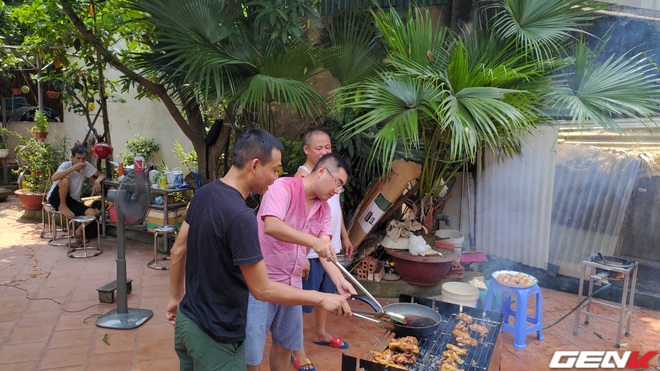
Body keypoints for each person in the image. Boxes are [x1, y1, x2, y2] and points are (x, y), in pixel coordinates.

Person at [166, 129, 353, 371]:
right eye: (275, 169)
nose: (276, 178)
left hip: (189, 321)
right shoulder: (243, 216)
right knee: (251, 353)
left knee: (284, 343)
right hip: (218, 333)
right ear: (255, 165)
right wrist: (322, 297)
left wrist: (175, 297)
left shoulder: (204, 193)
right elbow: (262, 288)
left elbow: (178, 250)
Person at [246, 153, 356, 371]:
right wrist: (314, 242)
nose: (337, 190)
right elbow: (272, 226)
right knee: (253, 350)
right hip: (262, 281)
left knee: (284, 344)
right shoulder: (283, 187)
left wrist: (339, 280)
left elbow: (325, 251)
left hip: (293, 284)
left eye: (341, 187)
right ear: (323, 171)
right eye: (338, 183)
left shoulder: (324, 209)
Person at [291, 129, 354, 371]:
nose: (325, 151)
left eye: (327, 147)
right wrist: (301, 252)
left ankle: (321, 333)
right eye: (319, 148)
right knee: (299, 299)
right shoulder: (301, 178)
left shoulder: (334, 175)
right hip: (308, 251)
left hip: (329, 246)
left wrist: (344, 236)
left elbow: (334, 211)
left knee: (325, 293)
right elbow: (294, 220)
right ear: (306, 150)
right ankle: (297, 349)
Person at [47, 144, 105, 242]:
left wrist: (97, 181)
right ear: (72, 158)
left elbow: (102, 175)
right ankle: (62, 205)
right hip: (56, 197)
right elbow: (54, 178)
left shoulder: (86, 166)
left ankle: (78, 232)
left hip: (72, 200)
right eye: (78, 158)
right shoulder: (65, 165)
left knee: (93, 213)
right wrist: (73, 168)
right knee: (66, 179)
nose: (81, 161)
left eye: (83, 159)